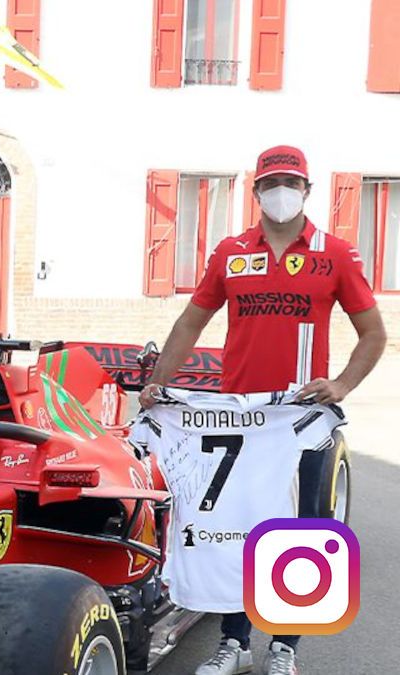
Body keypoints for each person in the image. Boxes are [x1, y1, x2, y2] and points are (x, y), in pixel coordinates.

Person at [140, 145, 386, 675]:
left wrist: (341, 384)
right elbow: (190, 322)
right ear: (256, 192)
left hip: (299, 418)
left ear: (307, 190)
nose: (281, 193)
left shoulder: (335, 253)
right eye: (272, 183)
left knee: (300, 530)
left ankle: (285, 647)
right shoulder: (230, 252)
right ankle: (235, 643)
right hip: (239, 418)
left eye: (291, 183)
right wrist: (159, 383)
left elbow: (373, 333)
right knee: (236, 527)